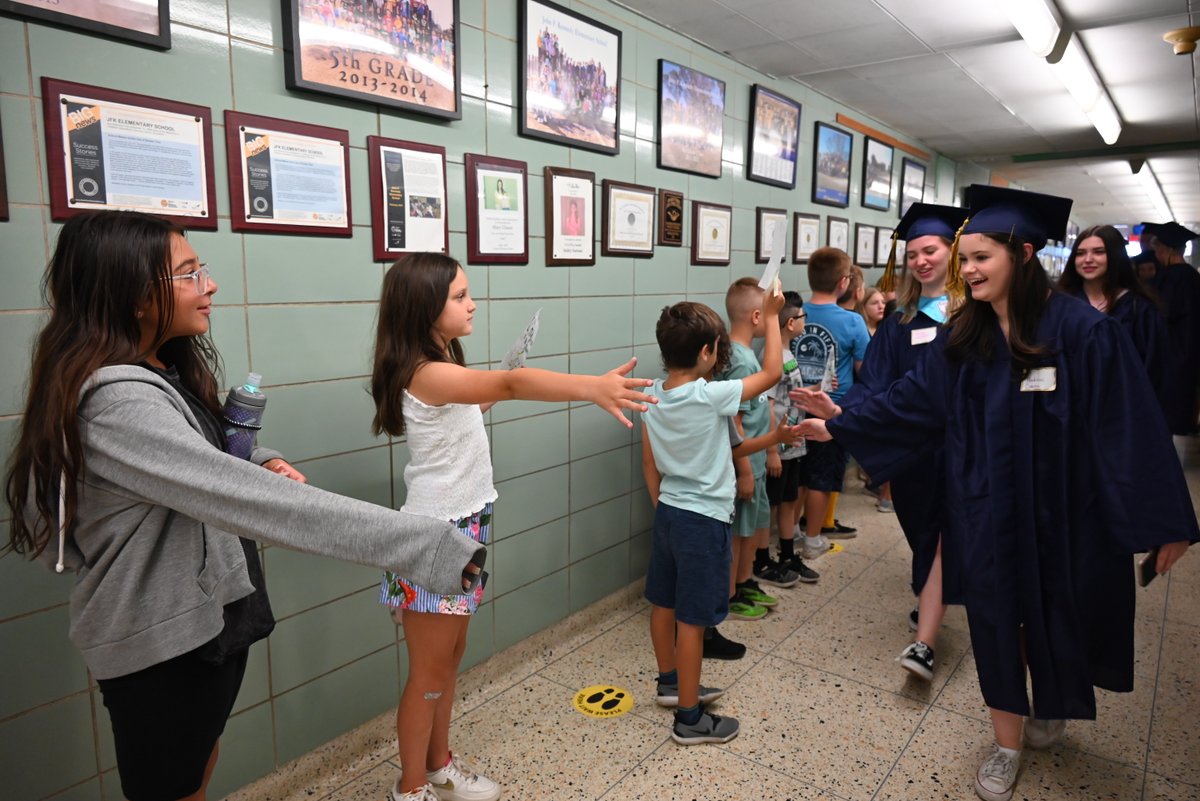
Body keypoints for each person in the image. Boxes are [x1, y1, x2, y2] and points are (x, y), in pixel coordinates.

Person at [3, 211, 490, 801]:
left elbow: (208, 458)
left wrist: (259, 458)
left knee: (196, 769)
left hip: (206, 619)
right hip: (158, 640)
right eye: (188, 274)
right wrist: (428, 545)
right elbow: (250, 502)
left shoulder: (160, 370)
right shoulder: (116, 403)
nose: (209, 285)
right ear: (134, 295)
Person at [795, 186, 1197, 801]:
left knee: (1055, 613)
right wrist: (840, 420)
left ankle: (1051, 701)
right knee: (994, 621)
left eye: (982, 257)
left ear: (1024, 254)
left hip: (1063, 510)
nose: (971, 270)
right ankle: (1005, 743)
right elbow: (911, 402)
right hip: (981, 504)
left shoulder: (1085, 334)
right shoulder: (966, 336)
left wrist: (1167, 518)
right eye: (968, 259)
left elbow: (1129, 426)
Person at [369, 252, 654, 801]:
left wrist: (484, 403)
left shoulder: (440, 368)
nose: (472, 303)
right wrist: (591, 387)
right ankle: (410, 790)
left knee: (448, 664)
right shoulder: (428, 373)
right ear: (424, 309)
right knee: (428, 675)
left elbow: (469, 413)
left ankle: (439, 767)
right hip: (434, 541)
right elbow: (512, 385)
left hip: (465, 531)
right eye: (458, 297)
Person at [640, 290, 788, 746]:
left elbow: (651, 464)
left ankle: (670, 683)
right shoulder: (712, 395)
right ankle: (689, 718)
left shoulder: (651, 393)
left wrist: (662, 505)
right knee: (693, 620)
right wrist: (776, 318)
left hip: (669, 513)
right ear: (707, 354)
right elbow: (773, 373)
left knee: (663, 605)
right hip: (704, 521)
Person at [718, 278, 799, 620]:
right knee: (738, 533)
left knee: (751, 527)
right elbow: (734, 422)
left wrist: (768, 452)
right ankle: (729, 594)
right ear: (757, 317)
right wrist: (745, 471)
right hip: (744, 464)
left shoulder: (746, 355)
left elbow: (759, 409)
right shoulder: (740, 361)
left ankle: (743, 580)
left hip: (756, 458)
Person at [792, 248, 870, 560]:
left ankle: (793, 531)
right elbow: (867, 370)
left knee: (798, 475)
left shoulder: (796, 313)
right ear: (843, 283)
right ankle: (812, 539)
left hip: (793, 408)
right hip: (831, 413)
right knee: (821, 481)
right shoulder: (852, 322)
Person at [1057, 224, 1170, 415]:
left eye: (1099, 252)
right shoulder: (1060, 306)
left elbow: (1153, 369)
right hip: (1069, 412)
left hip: (1122, 410)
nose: (1088, 259)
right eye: (1081, 253)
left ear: (1115, 256)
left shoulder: (1139, 309)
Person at [762, 292, 819, 585]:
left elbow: (790, 396)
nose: (805, 322)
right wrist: (772, 450)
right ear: (790, 323)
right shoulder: (773, 358)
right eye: (802, 317)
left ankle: (787, 553)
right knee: (770, 503)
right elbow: (769, 405)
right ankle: (762, 559)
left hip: (794, 443)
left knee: (788, 499)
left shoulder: (789, 352)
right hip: (779, 448)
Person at [1144, 221, 1200, 434]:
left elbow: (1162, 314)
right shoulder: (1193, 277)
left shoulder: (1169, 278)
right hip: (1190, 350)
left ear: (1164, 250)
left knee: (1165, 407)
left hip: (1170, 352)